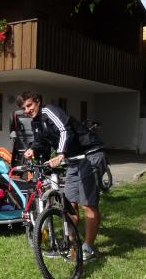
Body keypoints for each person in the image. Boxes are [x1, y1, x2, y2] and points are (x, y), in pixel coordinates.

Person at [17, 91, 106, 261]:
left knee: (88, 204)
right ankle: (71, 246)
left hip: (90, 154)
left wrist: (60, 153)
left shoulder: (49, 111)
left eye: (29, 105)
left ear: (37, 101)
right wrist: (32, 150)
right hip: (73, 159)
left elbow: (65, 130)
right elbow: (40, 142)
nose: (27, 110)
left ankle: (88, 248)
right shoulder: (36, 122)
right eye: (24, 108)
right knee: (69, 204)